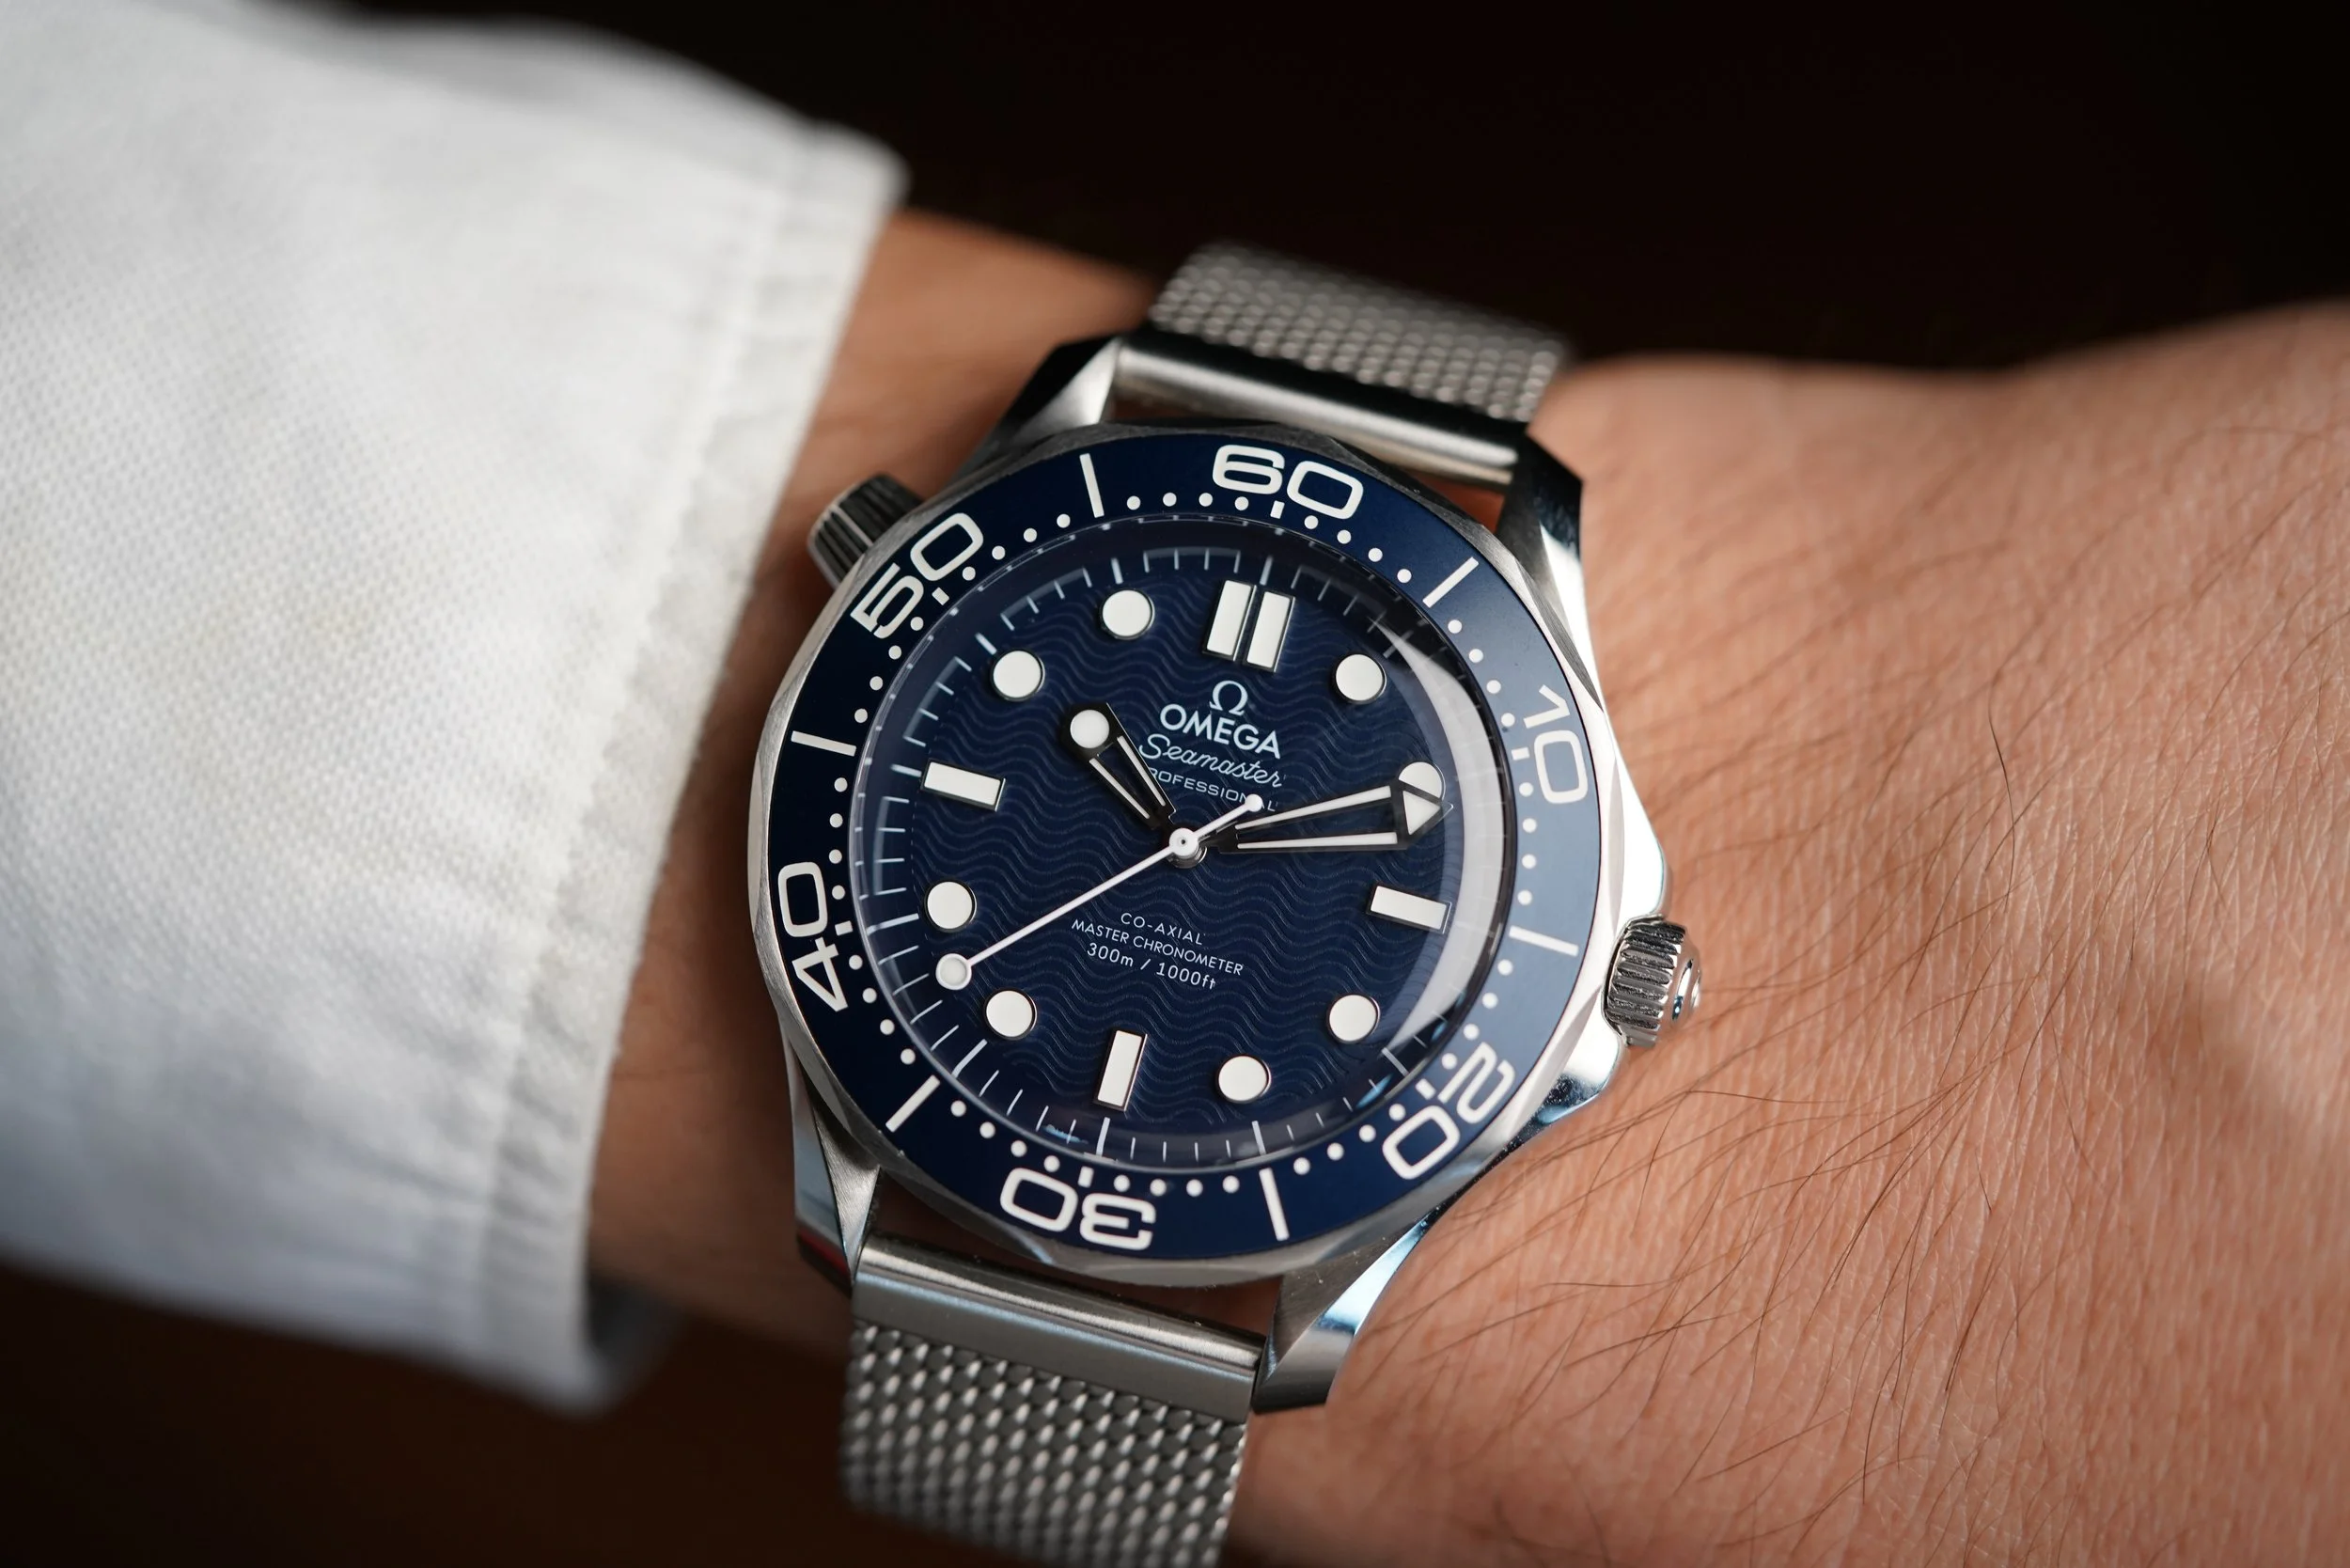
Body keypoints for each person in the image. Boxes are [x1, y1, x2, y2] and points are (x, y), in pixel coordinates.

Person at [3, 3, 2342, 1562]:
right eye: (1178, 818)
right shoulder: (1083, 556)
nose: (1198, 840)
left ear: (1612, 988)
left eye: (1213, 835)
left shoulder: (1523, 1023)